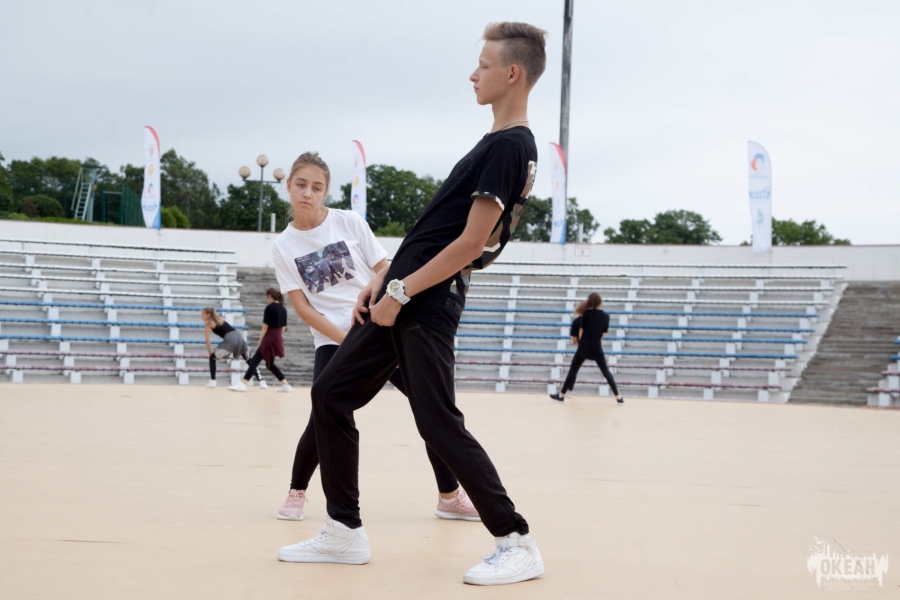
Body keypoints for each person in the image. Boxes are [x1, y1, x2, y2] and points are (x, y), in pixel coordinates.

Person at [277, 22, 547, 586]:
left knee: (438, 422)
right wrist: (384, 280)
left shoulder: (510, 144)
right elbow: (437, 232)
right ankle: (344, 531)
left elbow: (471, 243)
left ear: (512, 73)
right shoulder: (496, 143)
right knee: (330, 393)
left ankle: (516, 540)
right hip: (401, 295)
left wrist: (400, 290)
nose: (473, 74)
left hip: (423, 302)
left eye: (483, 65)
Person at [271, 151, 479, 523]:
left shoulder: (348, 222)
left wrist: (373, 312)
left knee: (430, 406)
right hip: (333, 338)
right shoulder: (283, 246)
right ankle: (296, 492)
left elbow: (386, 269)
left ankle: (449, 496)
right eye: (301, 185)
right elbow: (303, 308)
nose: (308, 193)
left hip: (379, 329)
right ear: (288, 186)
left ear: (325, 191)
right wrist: (346, 340)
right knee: (324, 410)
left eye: (316, 187)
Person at [550, 292, 624, 404]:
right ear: (600, 302)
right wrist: (595, 340)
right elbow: (603, 334)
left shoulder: (586, 314)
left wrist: (582, 343)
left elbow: (581, 331)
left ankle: (561, 395)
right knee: (605, 371)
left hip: (583, 347)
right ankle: (618, 397)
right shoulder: (606, 316)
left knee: (573, 369)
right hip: (596, 348)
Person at [228, 288, 293, 393]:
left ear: (269, 296)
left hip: (269, 337)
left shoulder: (269, 308)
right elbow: (283, 328)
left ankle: (243, 384)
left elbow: (265, 327)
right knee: (269, 364)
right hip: (277, 337)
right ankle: (286, 385)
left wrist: (261, 340)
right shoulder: (283, 308)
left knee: (254, 360)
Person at [201, 307, 260, 388]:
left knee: (212, 358)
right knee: (249, 360)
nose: (201, 316)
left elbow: (207, 340)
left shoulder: (208, 323)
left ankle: (213, 381)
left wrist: (209, 352)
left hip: (231, 339)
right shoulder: (220, 320)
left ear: (208, 315)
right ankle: (261, 381)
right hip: (238, 336)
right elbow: (224, 332)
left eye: (203, 314)